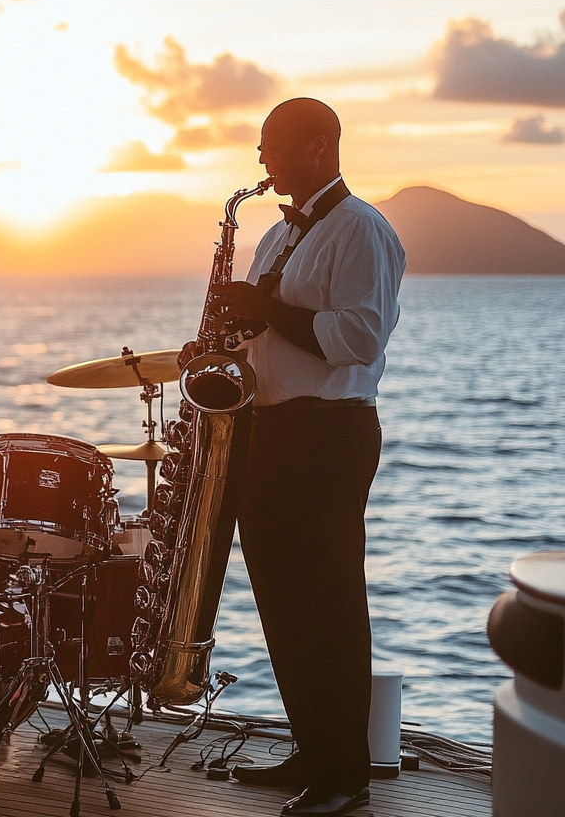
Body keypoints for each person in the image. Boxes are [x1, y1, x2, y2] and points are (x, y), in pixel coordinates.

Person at [191, 99, 405, 817]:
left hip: (328, 433)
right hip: (272, 431)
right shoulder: (276, 236)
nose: (262, 161)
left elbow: (359, 339)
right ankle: (314, 750)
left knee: (331, 605)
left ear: (320, 145)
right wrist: (224, 342)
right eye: (260, 148)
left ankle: (346, 776)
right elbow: (266, 330)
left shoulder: (364, 230)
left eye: (273, 146)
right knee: (283, 603)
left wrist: (263, 308)